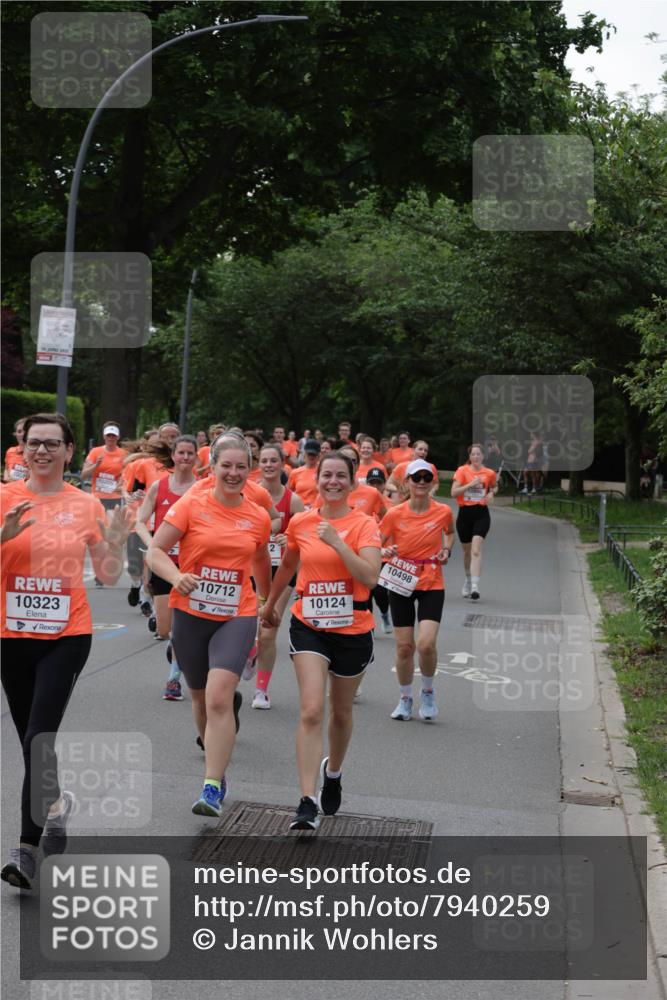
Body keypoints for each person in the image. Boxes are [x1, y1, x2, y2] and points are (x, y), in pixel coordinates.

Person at [1, 413, 131, 890]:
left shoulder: (87, 505)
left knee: (38, 737)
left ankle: (26, 850)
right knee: (32, 741)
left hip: (66, 635)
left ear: (70, 451)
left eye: (52, 444)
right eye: (34, 443)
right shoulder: (3, 498)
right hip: (11, 636)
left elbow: (111, 574)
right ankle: (55, 805)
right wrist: (4, 537)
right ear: (22, 447)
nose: (42, 451)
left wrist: (116, 535)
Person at [147, 434, 271, 818]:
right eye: (226, 466)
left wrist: (266, 602)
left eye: (240, 467)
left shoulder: (258, 514)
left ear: (249, 471)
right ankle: (215, 765)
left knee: (219, 697)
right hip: (190, 612)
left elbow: (262, 559)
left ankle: (212, 785)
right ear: (212, 468)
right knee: (200, 699)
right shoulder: (191, 505)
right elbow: (155, 550)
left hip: (237, 612)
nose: (233, 473)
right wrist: (176, 575)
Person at [260, 452, 381, 831]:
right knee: (312, 709)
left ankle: (334, 771)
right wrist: (270, 604)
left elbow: (371, 576)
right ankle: (307, 799)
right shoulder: (302, 522)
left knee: (341, 712)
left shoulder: (365, 524)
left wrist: (339, 544)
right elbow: (290, 566)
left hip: (353, 627)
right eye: (326, 475)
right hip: (309, 623)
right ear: (317, 479)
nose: (332, 482)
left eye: (340, 476)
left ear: (351, 482)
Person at [379, 459, 454, 722]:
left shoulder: (443, 511)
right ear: (406, 482)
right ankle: (405, 698)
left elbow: (450, 533)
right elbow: (376, 542)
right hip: (401, 580)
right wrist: (382, 551)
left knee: (426, 644)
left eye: (426, 477)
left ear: (433, 482)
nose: (421, 482)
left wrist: (446, 549)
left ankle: (428, 691)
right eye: (416, 477)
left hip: (432, 581)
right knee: (403, 648)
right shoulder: (394, 514)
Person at [135, 436, 198, 700]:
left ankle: (174, 679)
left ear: (196, 457)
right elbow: (139, 522)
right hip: (163, 563)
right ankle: (178, 647)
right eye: (180, 453)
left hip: (192, 565)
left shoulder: (203, 489)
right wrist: (152, 547)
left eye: (189, 454)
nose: (184, 458)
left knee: (185, 627)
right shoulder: (159, 487)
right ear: (172, 456)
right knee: (164, 629)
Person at [252, 442, 305, 709]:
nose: (269, 465)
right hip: (252, 568)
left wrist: (290, 539)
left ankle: (261, 690)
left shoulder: (292, 500)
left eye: (274, 460)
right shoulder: (248, 494)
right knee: (251, 629)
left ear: (282, 464)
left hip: (283, 572)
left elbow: (308, 535)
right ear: (258, 464)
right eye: (265, 460)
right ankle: (250, 650)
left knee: (269, 631)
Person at [451, 443, 498, 600]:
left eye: (478, 454)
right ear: (469, 457)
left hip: (481, 514)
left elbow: (494, 486)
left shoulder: (489, 473)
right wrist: (470, 484)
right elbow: (453, 492)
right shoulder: (462, 471)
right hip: (465, 514)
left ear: (483, 456)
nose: (476, 457)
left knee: (476, 549)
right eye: (473, 454)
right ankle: (468, 579)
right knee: (467, 552)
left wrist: (491, 494)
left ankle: (475, 587)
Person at [81, 422, 128, 511]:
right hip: (97, 497)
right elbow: (83, 475)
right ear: (104, 436)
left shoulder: (124, 454)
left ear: (118, 437)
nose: (111, 438)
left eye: (113, 435)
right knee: (97, 523)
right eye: (108, 435)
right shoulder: (95, 452)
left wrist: (122, 482)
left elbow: (128, 475)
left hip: (115, 497)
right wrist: (96, 465)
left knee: (112, 523)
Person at [288, 439, 321, 508]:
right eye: (309, 454)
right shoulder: (295, 472)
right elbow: (289, 493)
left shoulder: (323, 472)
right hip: (299, 509)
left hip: (316, 509)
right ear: (304, 454)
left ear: (318, 455)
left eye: (313, 454)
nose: (311, 456)